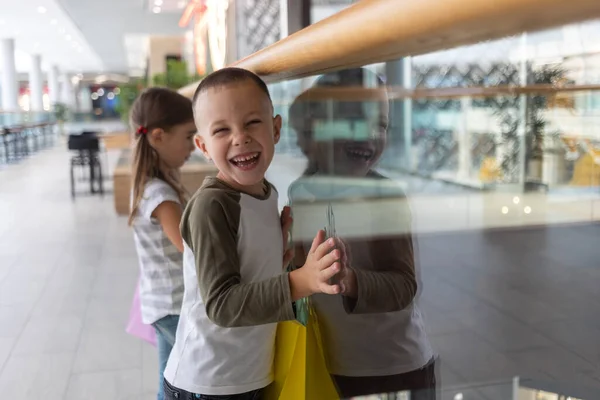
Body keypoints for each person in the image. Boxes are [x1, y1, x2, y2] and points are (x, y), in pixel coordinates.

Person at [163, 67, 343, 400]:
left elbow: (247, 268)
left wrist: (277, 254)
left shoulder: (264, 192)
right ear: (202, 145)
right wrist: (302, 280)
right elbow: (221, 305)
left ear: (275, 128)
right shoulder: (212, 206)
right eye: (222, 130)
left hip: (248, 372)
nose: (240, 137)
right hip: (209, 382)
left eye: (252, 123)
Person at [288, 68, 436, 399]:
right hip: (328, 362)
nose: (368, 134)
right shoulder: (300, 192)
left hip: (392, 369)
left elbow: (404, 285)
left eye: (380, 124)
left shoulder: (384, 195)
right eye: (352, 120)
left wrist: (351, 280)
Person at [128, 87, 196, 400]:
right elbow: (190, 249)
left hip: (161, 303)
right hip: (174, 306)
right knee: (191, 380)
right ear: (158, 136)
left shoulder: (148, 186)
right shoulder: (161, 195)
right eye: (187, 136)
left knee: (168, 382)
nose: (193, 146)